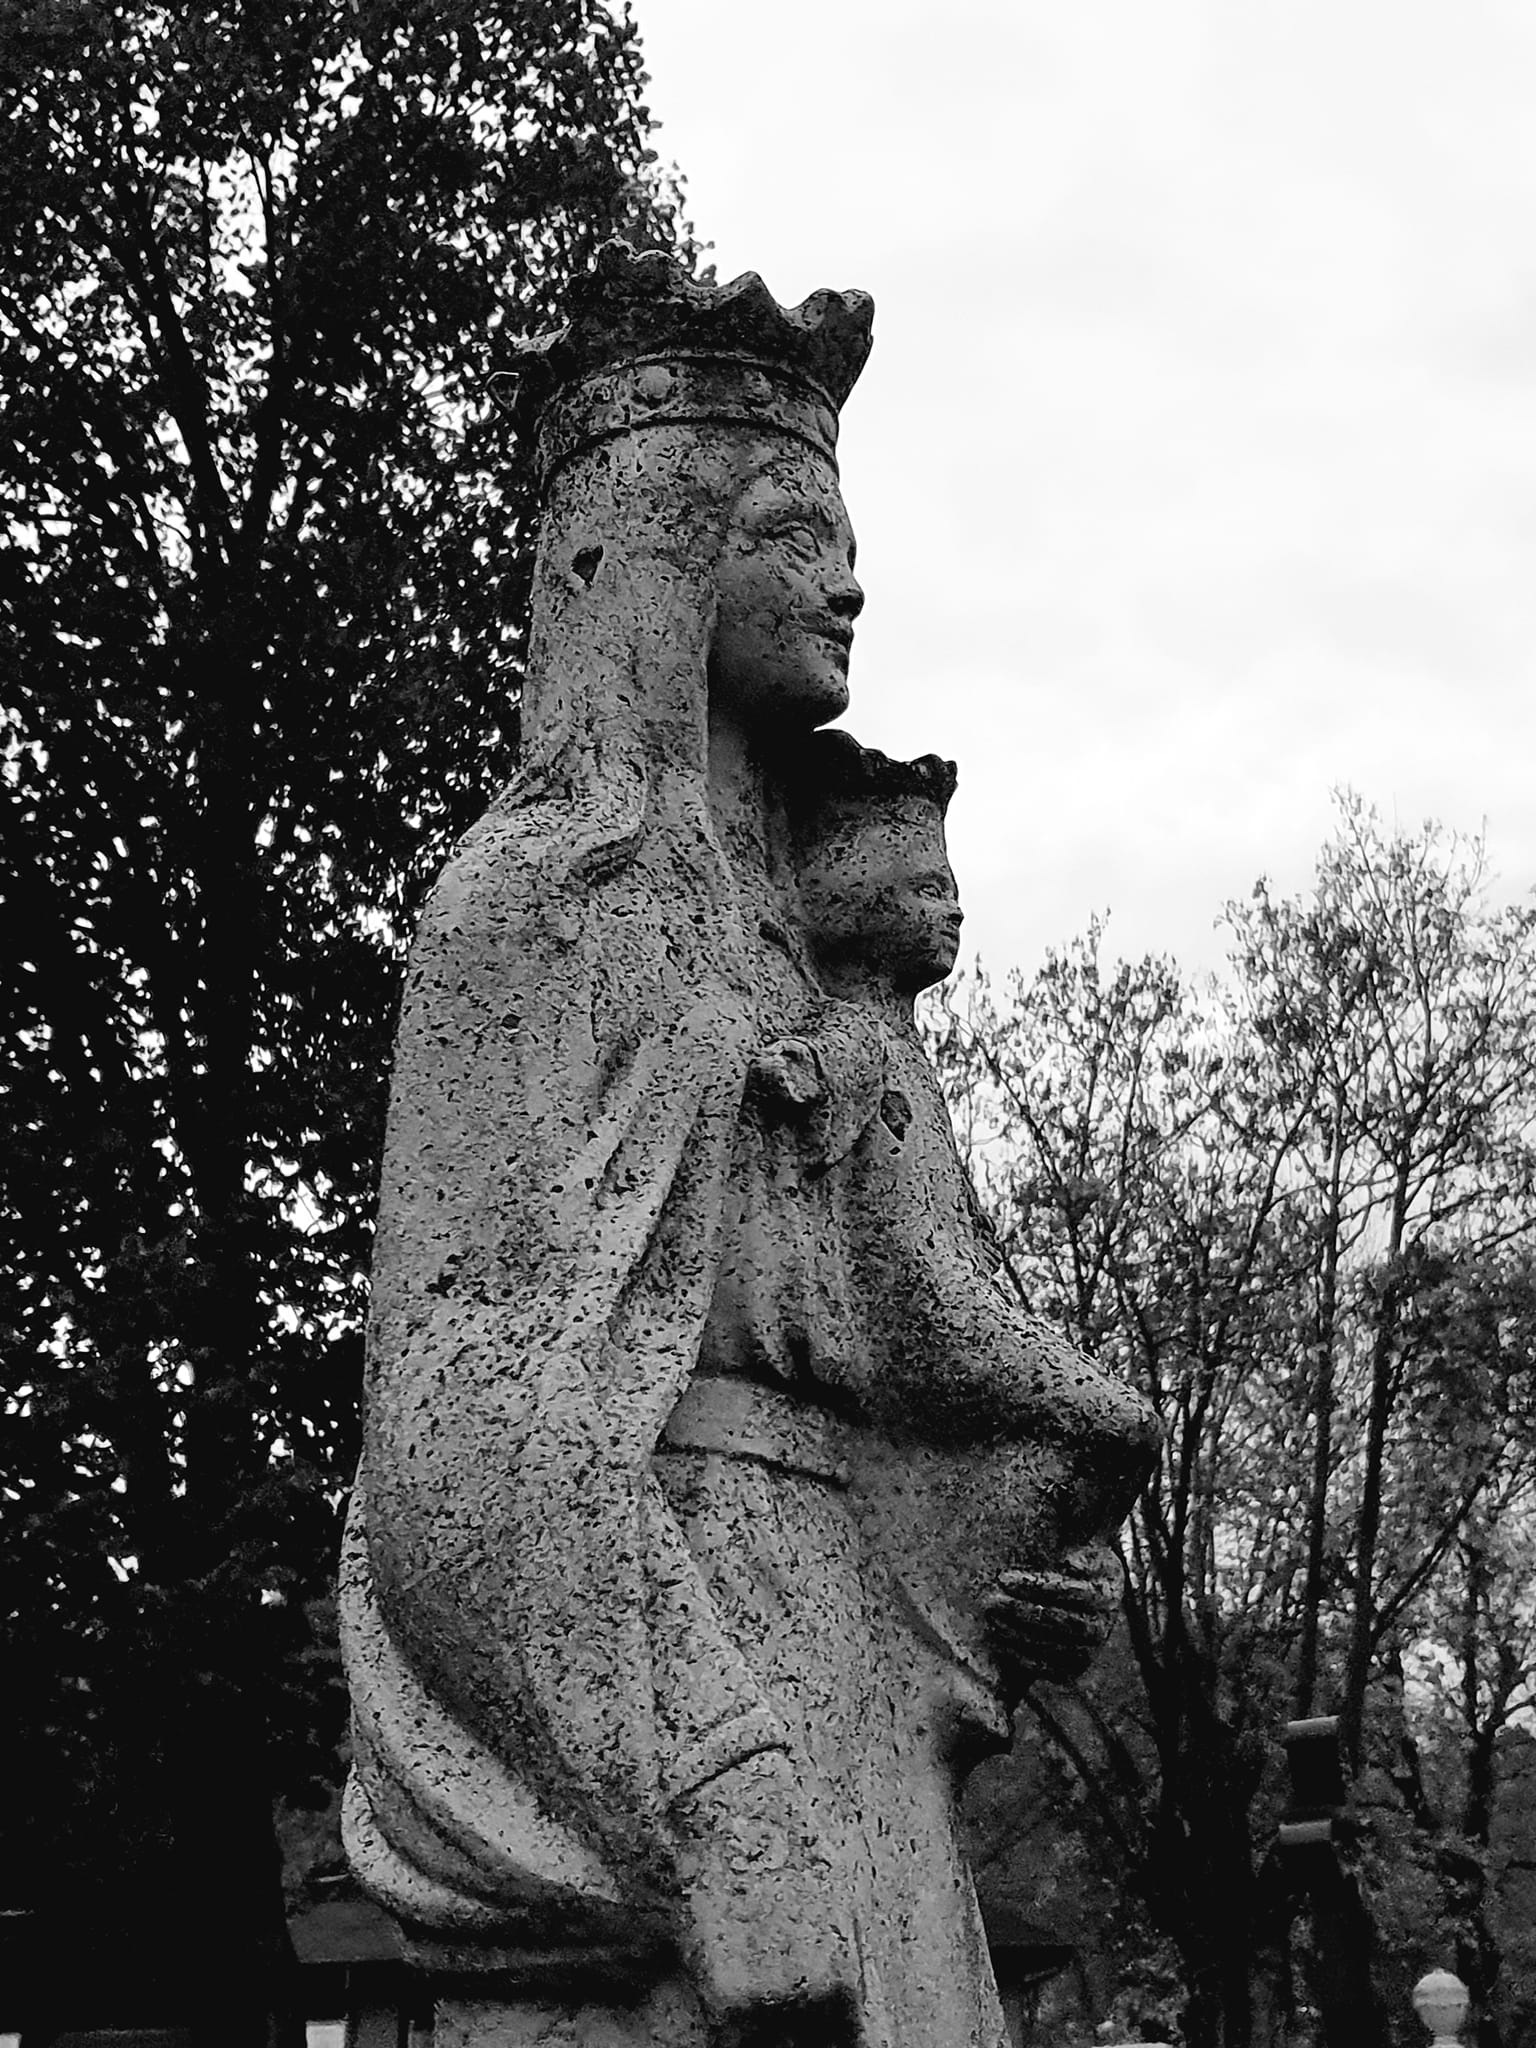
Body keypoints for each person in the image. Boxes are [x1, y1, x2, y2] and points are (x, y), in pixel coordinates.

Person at [339, 248, 1153, 2048]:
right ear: (658, 555)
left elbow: (882, 1363)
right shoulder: (529, 905)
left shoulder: (820, 958)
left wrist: (984, 1566)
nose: (849, 583)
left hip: (854, 1701)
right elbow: (460, 1420)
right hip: (671, 1695)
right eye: (794, 536)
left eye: (846, 539)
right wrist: (714, 1792)